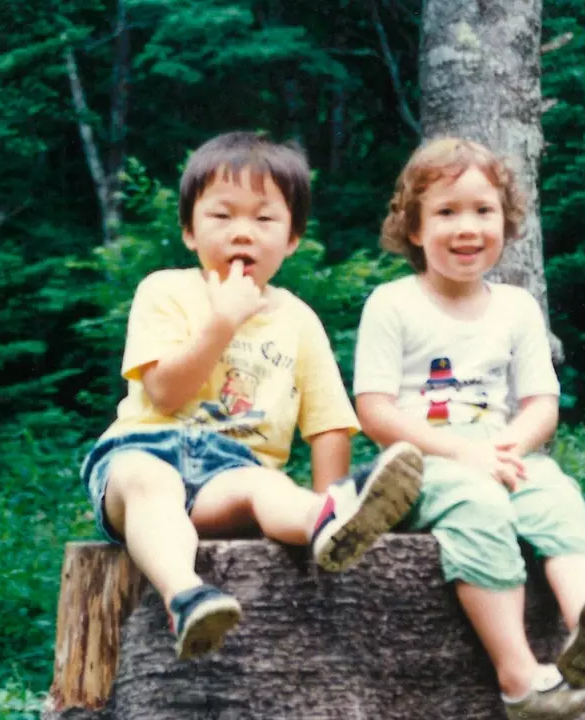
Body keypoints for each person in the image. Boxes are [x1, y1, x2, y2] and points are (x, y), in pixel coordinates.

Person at [80, 131, 423, 661]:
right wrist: (223, 321)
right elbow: (165, 392)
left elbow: (328, 423)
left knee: (266, 487)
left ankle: (332, 522)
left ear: (291, 239)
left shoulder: (300, 321)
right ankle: (186, 596)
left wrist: (327, 488)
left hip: (231, 472)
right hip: (140, 453)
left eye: (264, 220)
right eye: (222, 216)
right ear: (190, 231)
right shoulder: (165, 290)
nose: (243, 233)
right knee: (153, 483)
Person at [353, 136, 585, 719]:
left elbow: (541, 404)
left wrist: (511, 447)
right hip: (420, 466)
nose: (467, 227)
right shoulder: (392, 302)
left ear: (505, 225)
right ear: (413, 228)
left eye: (483, 211)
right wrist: (465, 455)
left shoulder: (516, 308)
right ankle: (518, 679)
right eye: (446, 212)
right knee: (476, 503)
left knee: (556, 492)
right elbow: (375, 411)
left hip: (500, 454)